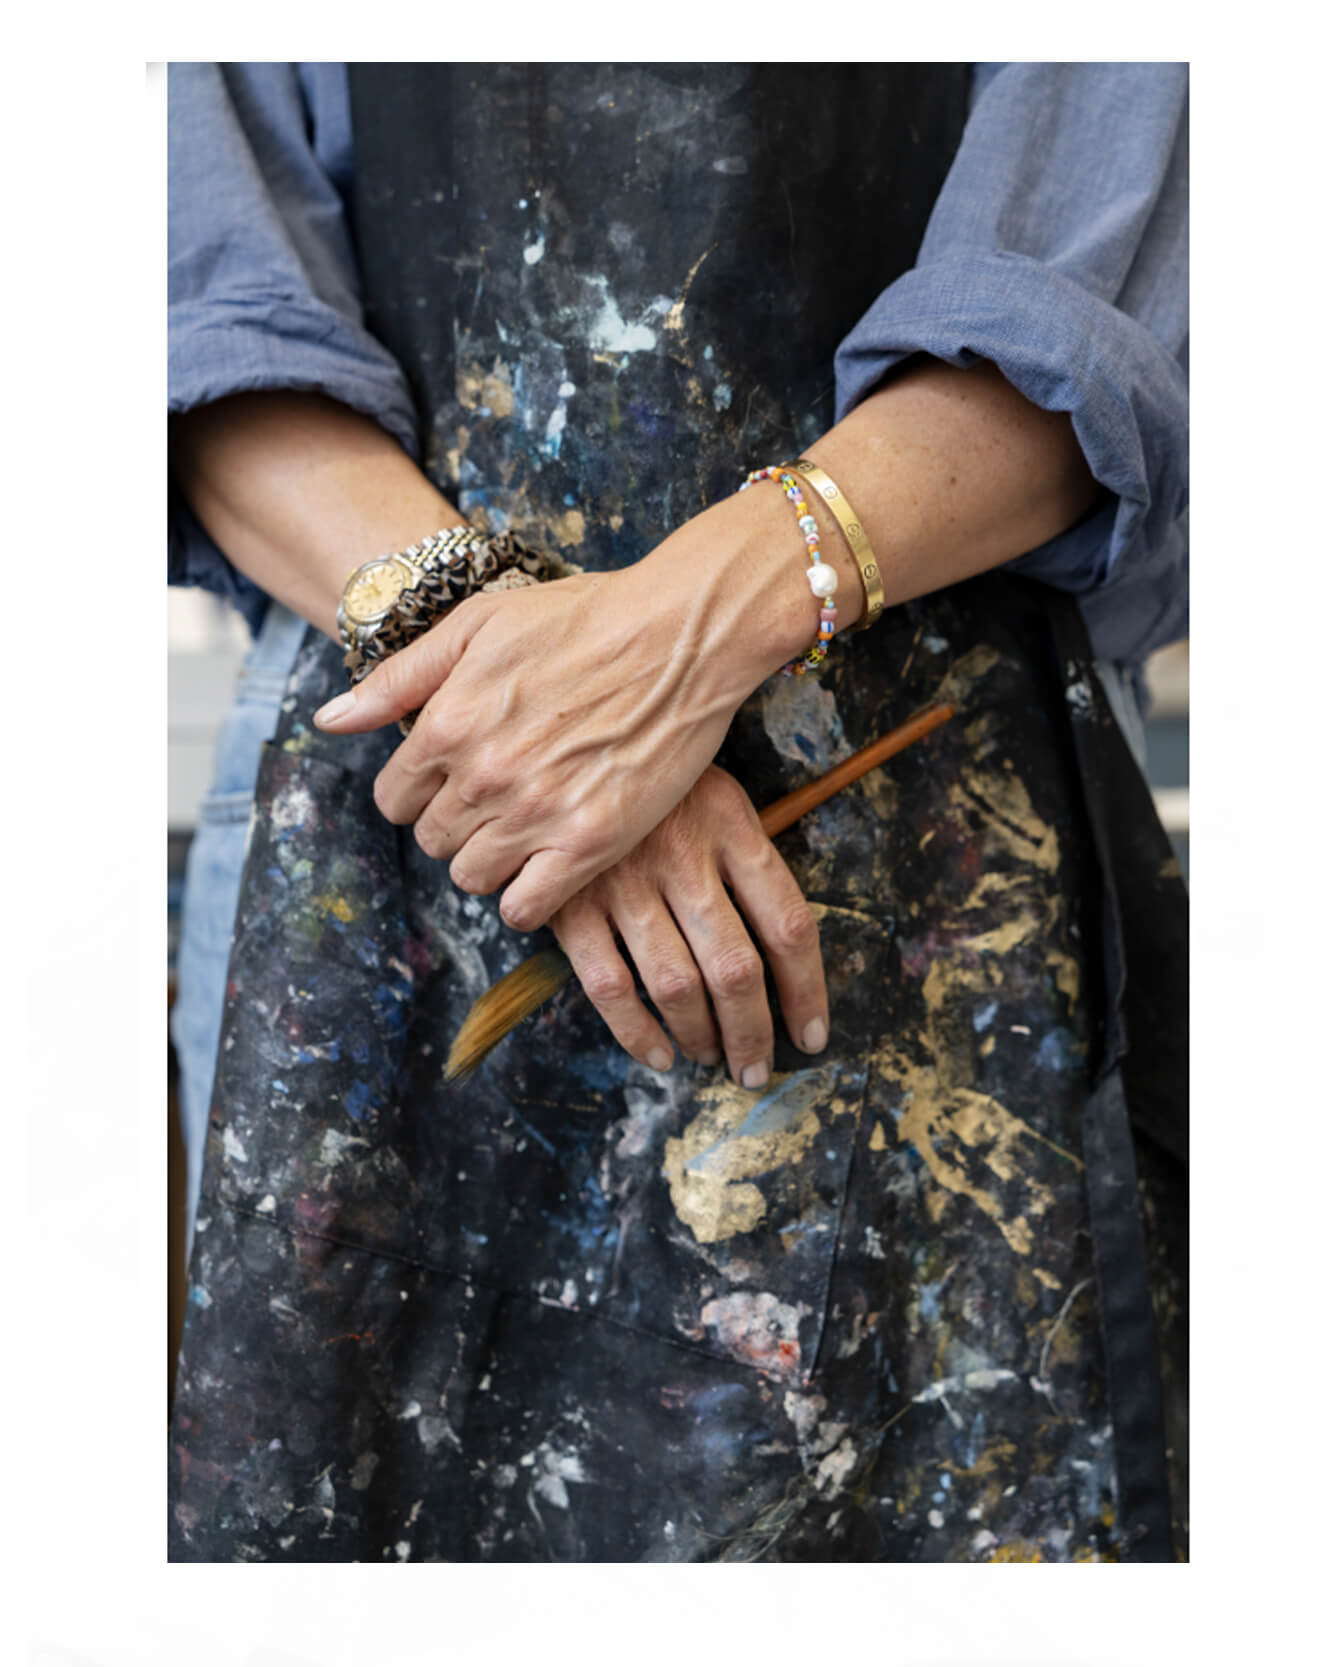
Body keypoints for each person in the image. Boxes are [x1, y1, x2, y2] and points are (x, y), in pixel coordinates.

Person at [168, 62, 1188, 1562]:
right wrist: (538, 701)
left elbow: (1094, 319)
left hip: (933, 862)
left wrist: (659, 654)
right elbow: (197, 318)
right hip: (403, 817)